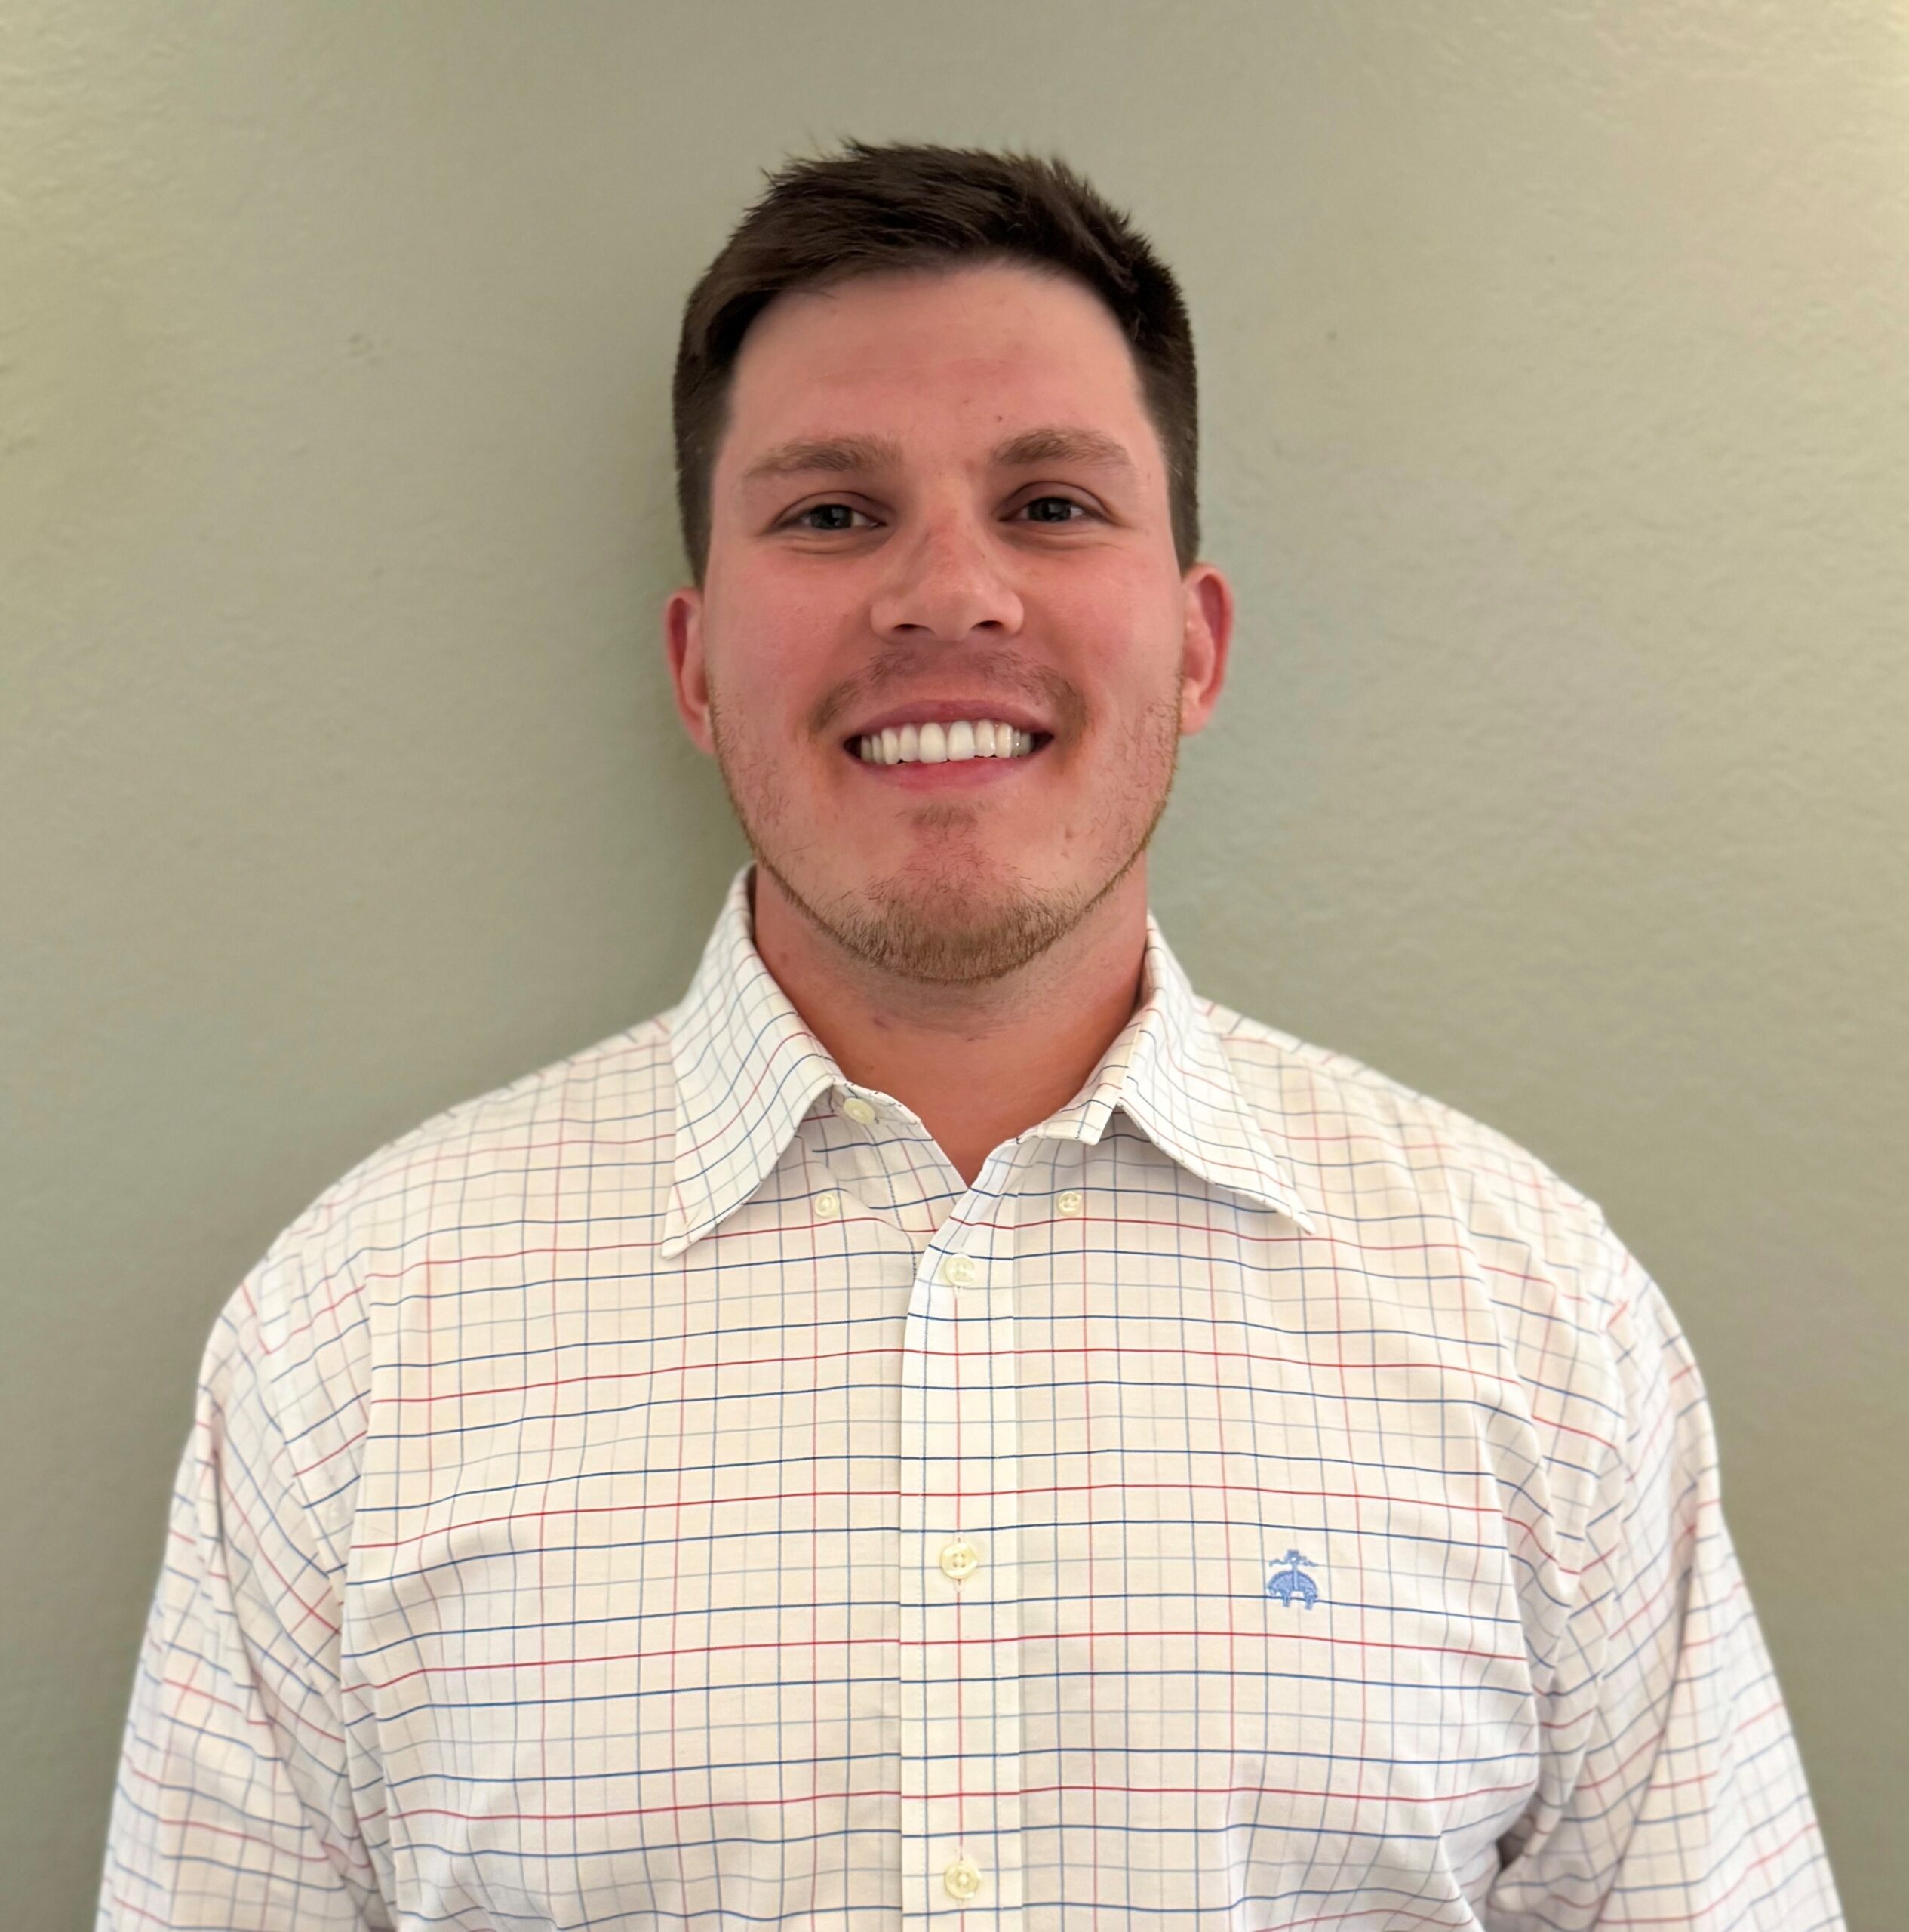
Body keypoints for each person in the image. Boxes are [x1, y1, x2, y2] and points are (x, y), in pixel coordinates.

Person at [99, 140, 1844, 1930]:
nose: (947, 591)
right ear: (693, 664)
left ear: (1195, 646)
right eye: (830, 514)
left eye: (1051, 504)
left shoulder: (1531, 1319)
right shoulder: (352, 1342)